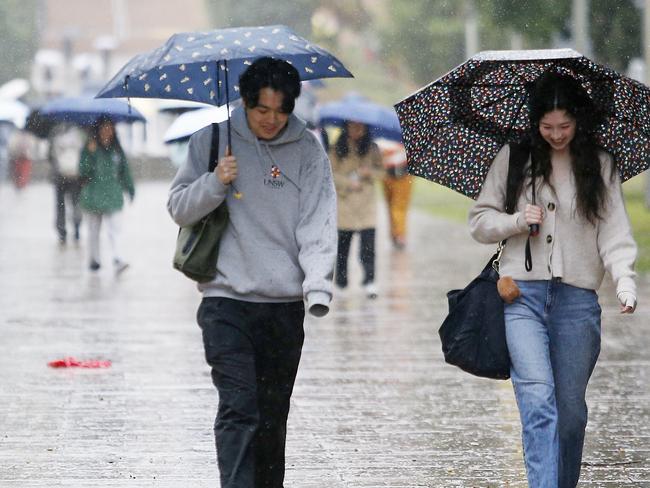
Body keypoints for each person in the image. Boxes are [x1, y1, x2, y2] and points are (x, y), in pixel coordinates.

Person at [167, 57, 337, 488]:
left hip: (283, 307)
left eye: (281, 111)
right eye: (262, 110)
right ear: (244, 102)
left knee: (271, 417)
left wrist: (317, 287)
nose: (271, 120)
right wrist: (215, 182)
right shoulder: (211, 141)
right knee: (239, 409)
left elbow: (318, 221)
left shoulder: (307, 150)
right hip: (225, 301)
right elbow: (178, 207)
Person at [469, 72, 637, 487]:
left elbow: (614, 232)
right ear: (535, 122)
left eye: (565, 126)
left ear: (578, 121)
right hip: (520, 297)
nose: (557, 135)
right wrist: (513, 221)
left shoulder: (600, 165)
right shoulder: (514, 159)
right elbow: (479, 222)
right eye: (547, 127)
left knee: (570, 414)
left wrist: (625, 281)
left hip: (577, 303)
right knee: (538, 401)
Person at [330, 121, 383, 298]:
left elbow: (382, 172)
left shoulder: (373, 148)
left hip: (366, 204)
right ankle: (341, 282)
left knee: (368, 247)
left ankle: (370, 281)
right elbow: (330, 173)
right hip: (345, 204)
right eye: (353, 127)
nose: (356, 131)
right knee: (343, 247)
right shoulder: (336, 148)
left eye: (360, 128)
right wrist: (347, 183)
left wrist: (370, 173)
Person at [79, 117, 134, 273]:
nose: (107, 132)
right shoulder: (89, 147)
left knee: (114, 229)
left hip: (112, 194)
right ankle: (94, 259)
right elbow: (83, 171)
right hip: (93, 194)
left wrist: (130, 189)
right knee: (93, 230)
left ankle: (117, 258)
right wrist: (90, 154)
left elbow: (125, 171)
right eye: (104, 128)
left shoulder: (117, 149)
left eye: (110, 128)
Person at [48, 123, 85, 245]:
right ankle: (76, 228)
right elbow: (84, 155)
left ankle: (62, 232)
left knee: (60, 205)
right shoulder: (79, 134)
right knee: (75, 203)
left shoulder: (55, 133)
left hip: (60, 176)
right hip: (75, 176)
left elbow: (50, 155)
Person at [379, 139, 412, 250]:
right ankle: (395, 234)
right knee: (391, 205)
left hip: (403, 175)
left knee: (398, 206)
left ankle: (399, 234)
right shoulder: (383, 134)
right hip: (388, 175)